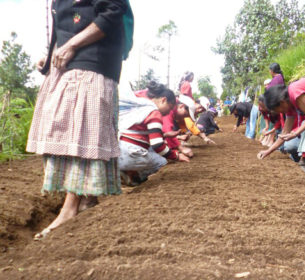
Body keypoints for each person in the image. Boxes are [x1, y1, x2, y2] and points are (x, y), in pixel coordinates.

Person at [26, 0, 130, 240]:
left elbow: (112, 10)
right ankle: (86, 199)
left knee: (81, 130)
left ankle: (70, 208)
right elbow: (66, 24)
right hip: (68, 63)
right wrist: (51, 54)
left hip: (92, 62)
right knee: (59, 126)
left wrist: (72, 45)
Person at [118, 82, 189, 186]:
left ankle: (123, 170)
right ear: (163, 100)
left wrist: (165, 135)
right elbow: (157, 145)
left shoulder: (139, 106)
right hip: (129, 154)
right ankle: (133, 174)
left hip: (115, 152)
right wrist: (176, 156)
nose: (169, 113)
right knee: (162, 161)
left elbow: (139, 134)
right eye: (169, 108)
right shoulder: (154, 113)